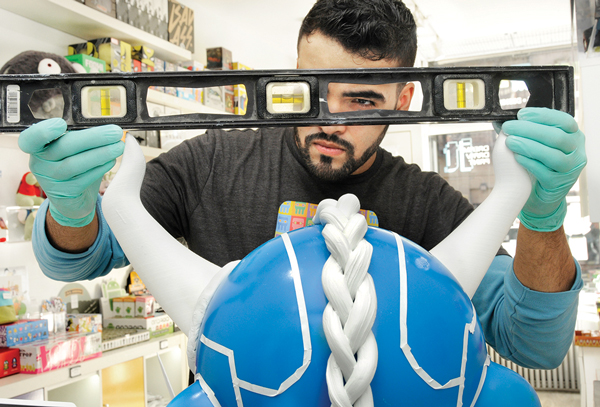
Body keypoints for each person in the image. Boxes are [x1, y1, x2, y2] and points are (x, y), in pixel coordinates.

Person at [19, 0, 585, 370]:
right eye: (312, 91)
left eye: (361, 100)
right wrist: (72, 209)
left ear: (405, 100)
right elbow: (79, 263)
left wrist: (544, 215)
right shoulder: (210, 162)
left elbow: (532, 344)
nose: (329, 121)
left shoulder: (431, 203)